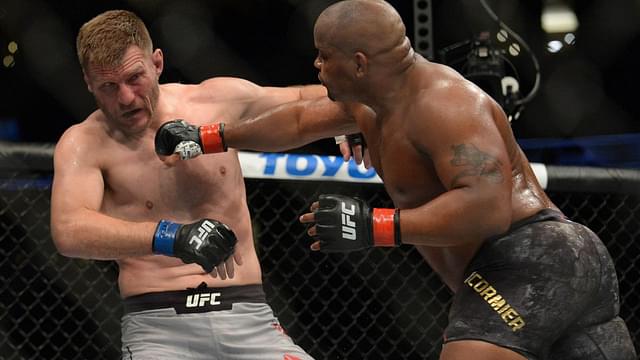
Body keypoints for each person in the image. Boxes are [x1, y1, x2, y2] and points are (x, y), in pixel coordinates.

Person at [155, 1, 637, 359]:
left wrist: (375, 226)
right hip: (550, 264)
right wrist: (208, 137)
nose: (316, 66)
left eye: (325, 57)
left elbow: (488, 209)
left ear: (360, 62)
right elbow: (299, 122)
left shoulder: (444, 104)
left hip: (527, 257)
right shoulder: (369, 104)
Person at [49, 9, 325, 359]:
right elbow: (69, 230)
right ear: (88, 83)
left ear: (157, 64)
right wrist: (171, 237)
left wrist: (351, 121)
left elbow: (305, 103)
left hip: (249, 320)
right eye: (108, 86)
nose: (126, 98)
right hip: (157, 328)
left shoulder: (215, 102)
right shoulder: (83, 143)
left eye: (135, 78)